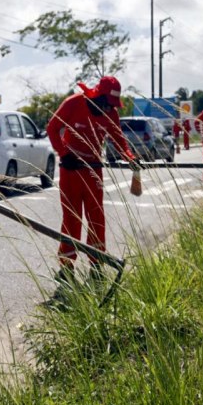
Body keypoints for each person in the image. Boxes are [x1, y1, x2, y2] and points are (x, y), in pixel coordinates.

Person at [46, 76, 138, 295]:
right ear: (97, 95)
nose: (108, 108)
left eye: (112, 105)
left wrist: (129, 156)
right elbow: (52, 129)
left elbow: (118, 139)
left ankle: (96, 266)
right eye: (106, 103)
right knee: (72, 218)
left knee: (97, 217)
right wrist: (64, 153)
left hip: (93, 169)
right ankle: (66, 269)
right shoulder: (73, 103)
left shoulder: (111, 114)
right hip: (71, 170)